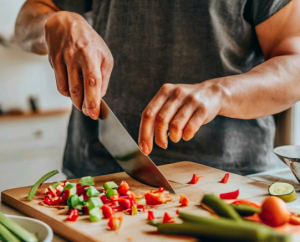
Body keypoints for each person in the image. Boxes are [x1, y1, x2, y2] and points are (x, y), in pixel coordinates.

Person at [15, 0, 300, 178]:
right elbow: (26, 22)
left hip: (231, 176)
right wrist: (55, 21)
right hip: (97, 172)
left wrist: (221, 92)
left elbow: (295, 63)